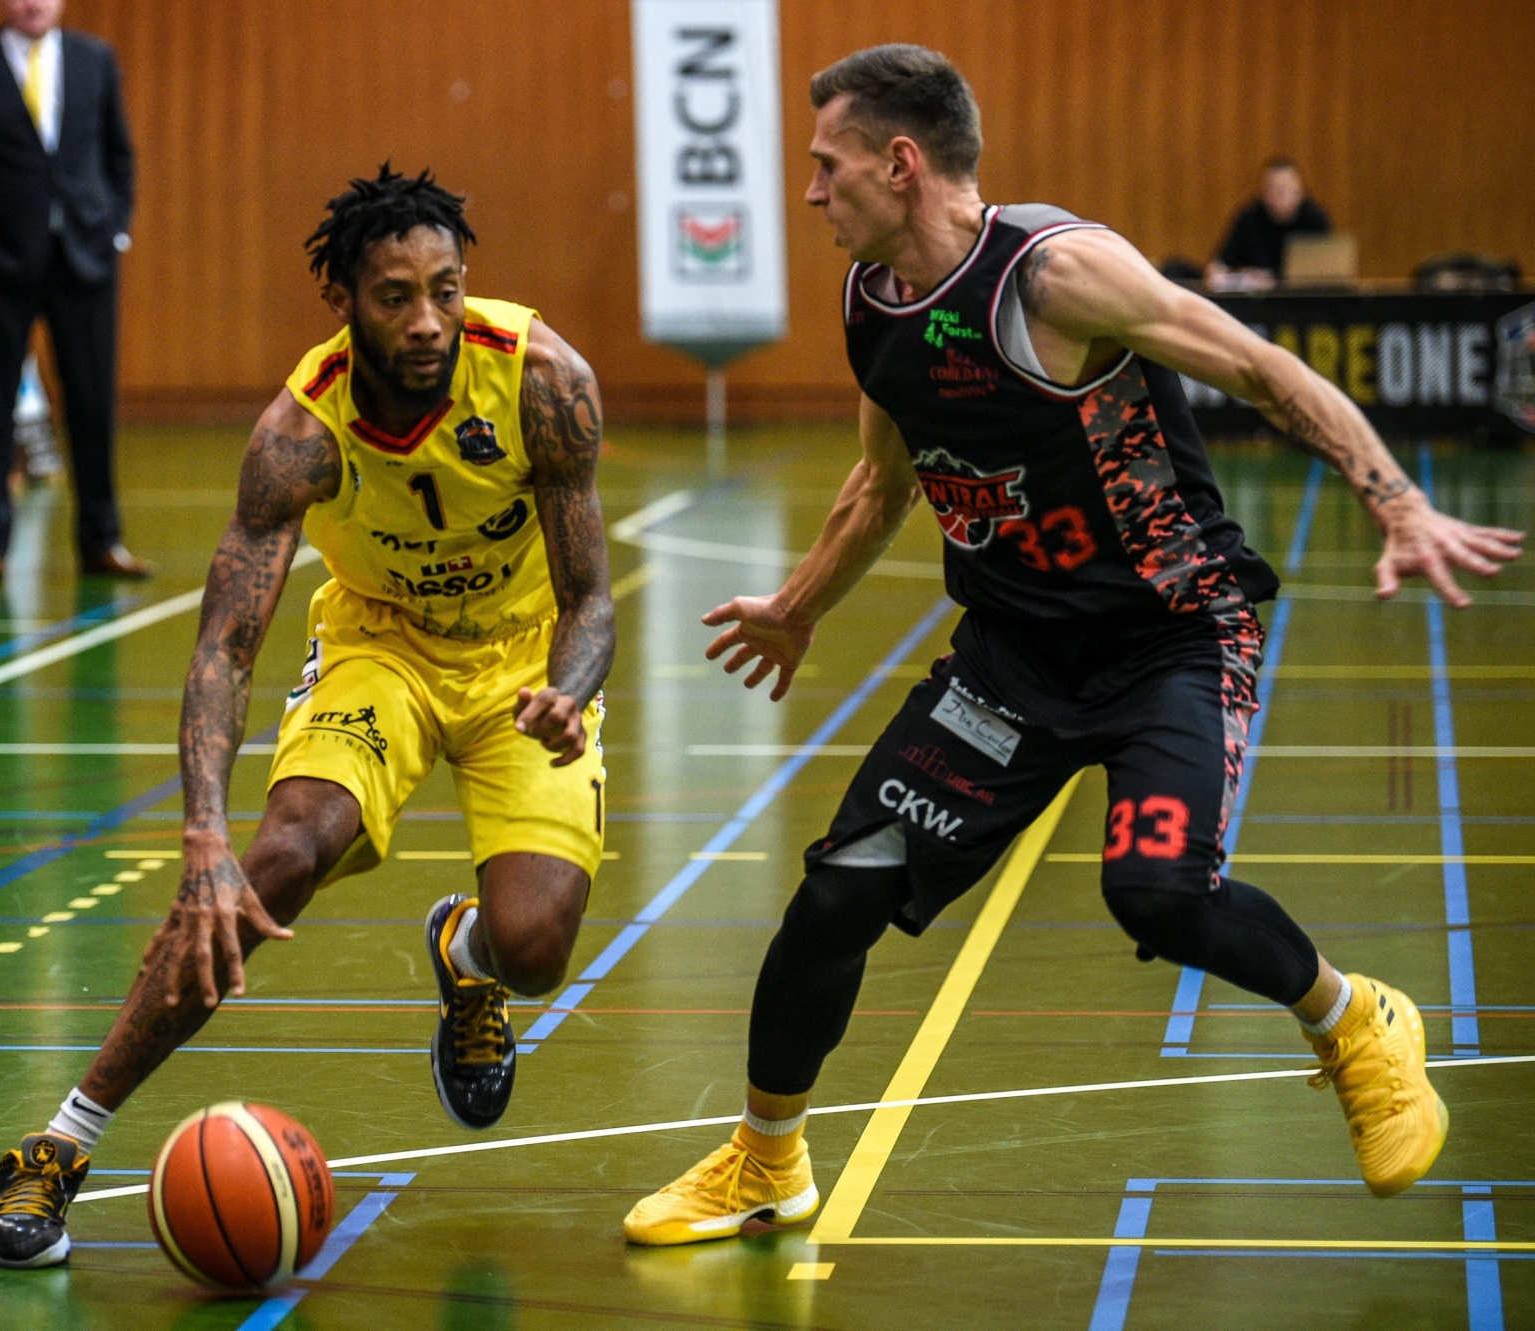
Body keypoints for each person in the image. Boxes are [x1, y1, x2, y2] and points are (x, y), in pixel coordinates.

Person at [623, 44, 1524, 1246]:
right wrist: (795, 606)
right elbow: (880, 484)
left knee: (1155, 892)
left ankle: (1352, 1017)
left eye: (823, 165)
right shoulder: (871, 305)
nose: (807, 192)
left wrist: (1395, 499)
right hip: (1009, 663)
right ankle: (762, 1161)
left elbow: (1258, 369)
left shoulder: (1054, 275)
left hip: (1171, 637)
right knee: (836, 892)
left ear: (899, 164)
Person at [0, 165, 615, 1269]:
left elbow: (591, 593)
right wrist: (202, 839)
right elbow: (225, 642)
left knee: (535, 946)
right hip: (380, 644)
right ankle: (62, 1141)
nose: (427, 321)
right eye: (395, 296)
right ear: (345, 301)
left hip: (519, 661)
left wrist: (570, 688)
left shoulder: (541, 379)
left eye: (447, 290)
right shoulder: (299, 429)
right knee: (274, 860)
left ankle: (465, 952)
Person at [0, 0, 146, 583]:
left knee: (92, 401)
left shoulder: (94, 59)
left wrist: (116, 229)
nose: (32, 3)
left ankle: (102, 540)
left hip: (86, 257)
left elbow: (118, 153)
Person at [1205, 157, 1332, 291]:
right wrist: (1217, 272)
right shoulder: (1249, 218)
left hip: (1304, 298)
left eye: (1286, 189)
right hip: (1258, 301)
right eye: (1274, 189)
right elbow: (1222, 262)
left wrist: (1273, 278)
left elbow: (1326, 269)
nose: (1281, 195)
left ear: (1300, 192)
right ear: (1262, 192)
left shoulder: (1315, 219)